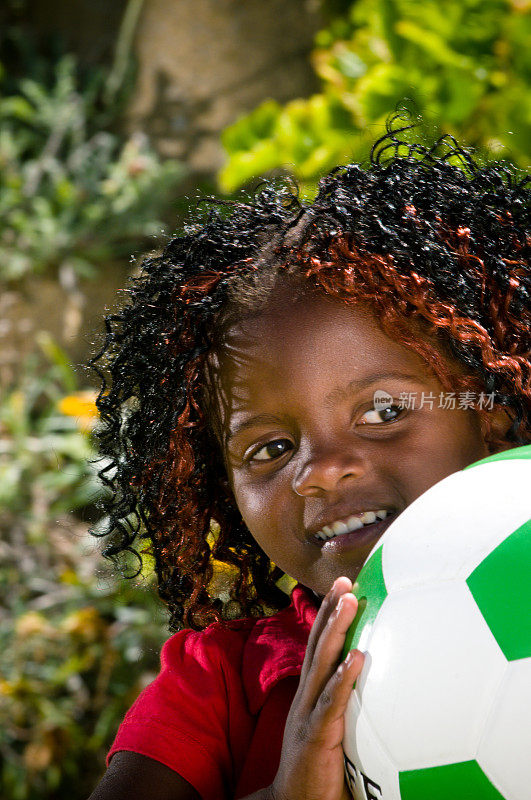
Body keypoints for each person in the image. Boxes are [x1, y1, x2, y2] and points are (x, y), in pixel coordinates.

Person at [88, 116, 530, 800]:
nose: (320, 470)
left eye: (382, 412)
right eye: (269, 448)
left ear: (491, 411)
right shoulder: (219, 690)